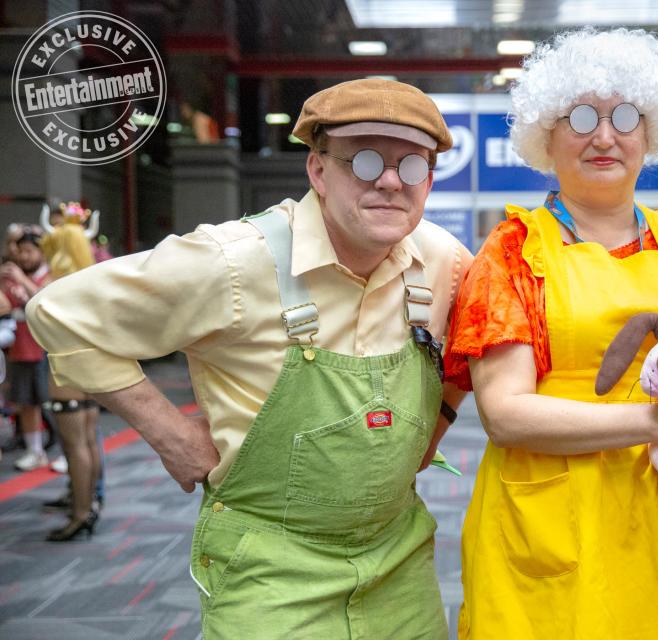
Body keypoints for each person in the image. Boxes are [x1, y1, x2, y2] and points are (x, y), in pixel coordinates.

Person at [28, 78, 471, 638]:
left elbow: (479, 344)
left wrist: (442, 418)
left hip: (400, 563)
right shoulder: (234, 262)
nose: (389, 181)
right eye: (363, 160)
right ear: (318, 169)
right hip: (270, 571)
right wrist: (168, 432)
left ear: (429, 180)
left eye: (412, 166)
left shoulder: (443, 260)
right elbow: (60, 312)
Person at [444, 28, 658, 639]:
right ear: (546, 135)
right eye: (579, 117)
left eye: (624, 115)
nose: (604, 135)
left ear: (650, 131)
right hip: (551, 525)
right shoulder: (514, 252)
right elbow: (505, 413)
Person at [36, 206, 103, 541]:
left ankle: (79, 515)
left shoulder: (55, 285)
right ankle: (89, 507)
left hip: (66, 367)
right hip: (92, 367)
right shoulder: (93, 281)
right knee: (88, 441)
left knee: (75, 444)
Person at [0, 229, 51, 471]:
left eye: (29, 251)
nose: (24, 256)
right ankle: (35, 450)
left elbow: (45, 300)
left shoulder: (48, 275)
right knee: (26, 402)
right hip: (19, 348)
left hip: (43, 348)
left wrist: (21, 279)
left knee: (49, 402)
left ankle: (59, 448)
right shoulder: (12, 275)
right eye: (21, 252)